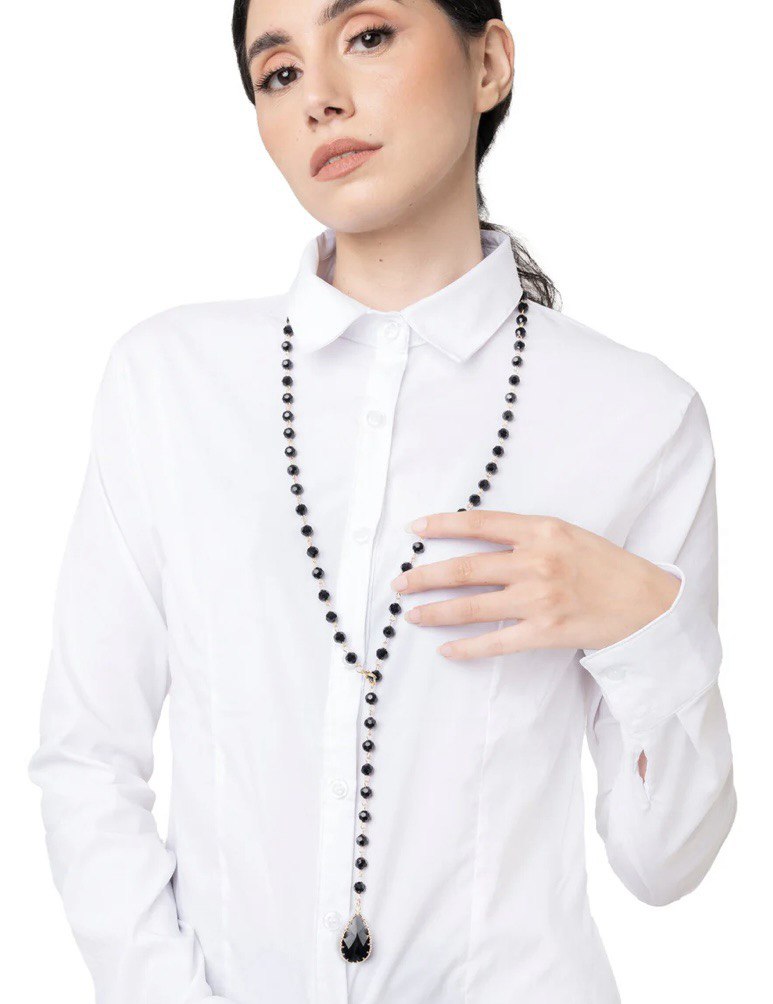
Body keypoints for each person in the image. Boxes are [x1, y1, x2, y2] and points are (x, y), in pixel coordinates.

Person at [27, 1, 736, 1001]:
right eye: (278, 73)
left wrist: (645, 625)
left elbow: (663, 864)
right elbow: (86, 761)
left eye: (365, 36)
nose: (318, 98)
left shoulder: (637, 416)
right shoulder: (170, 382)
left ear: (488, 64)